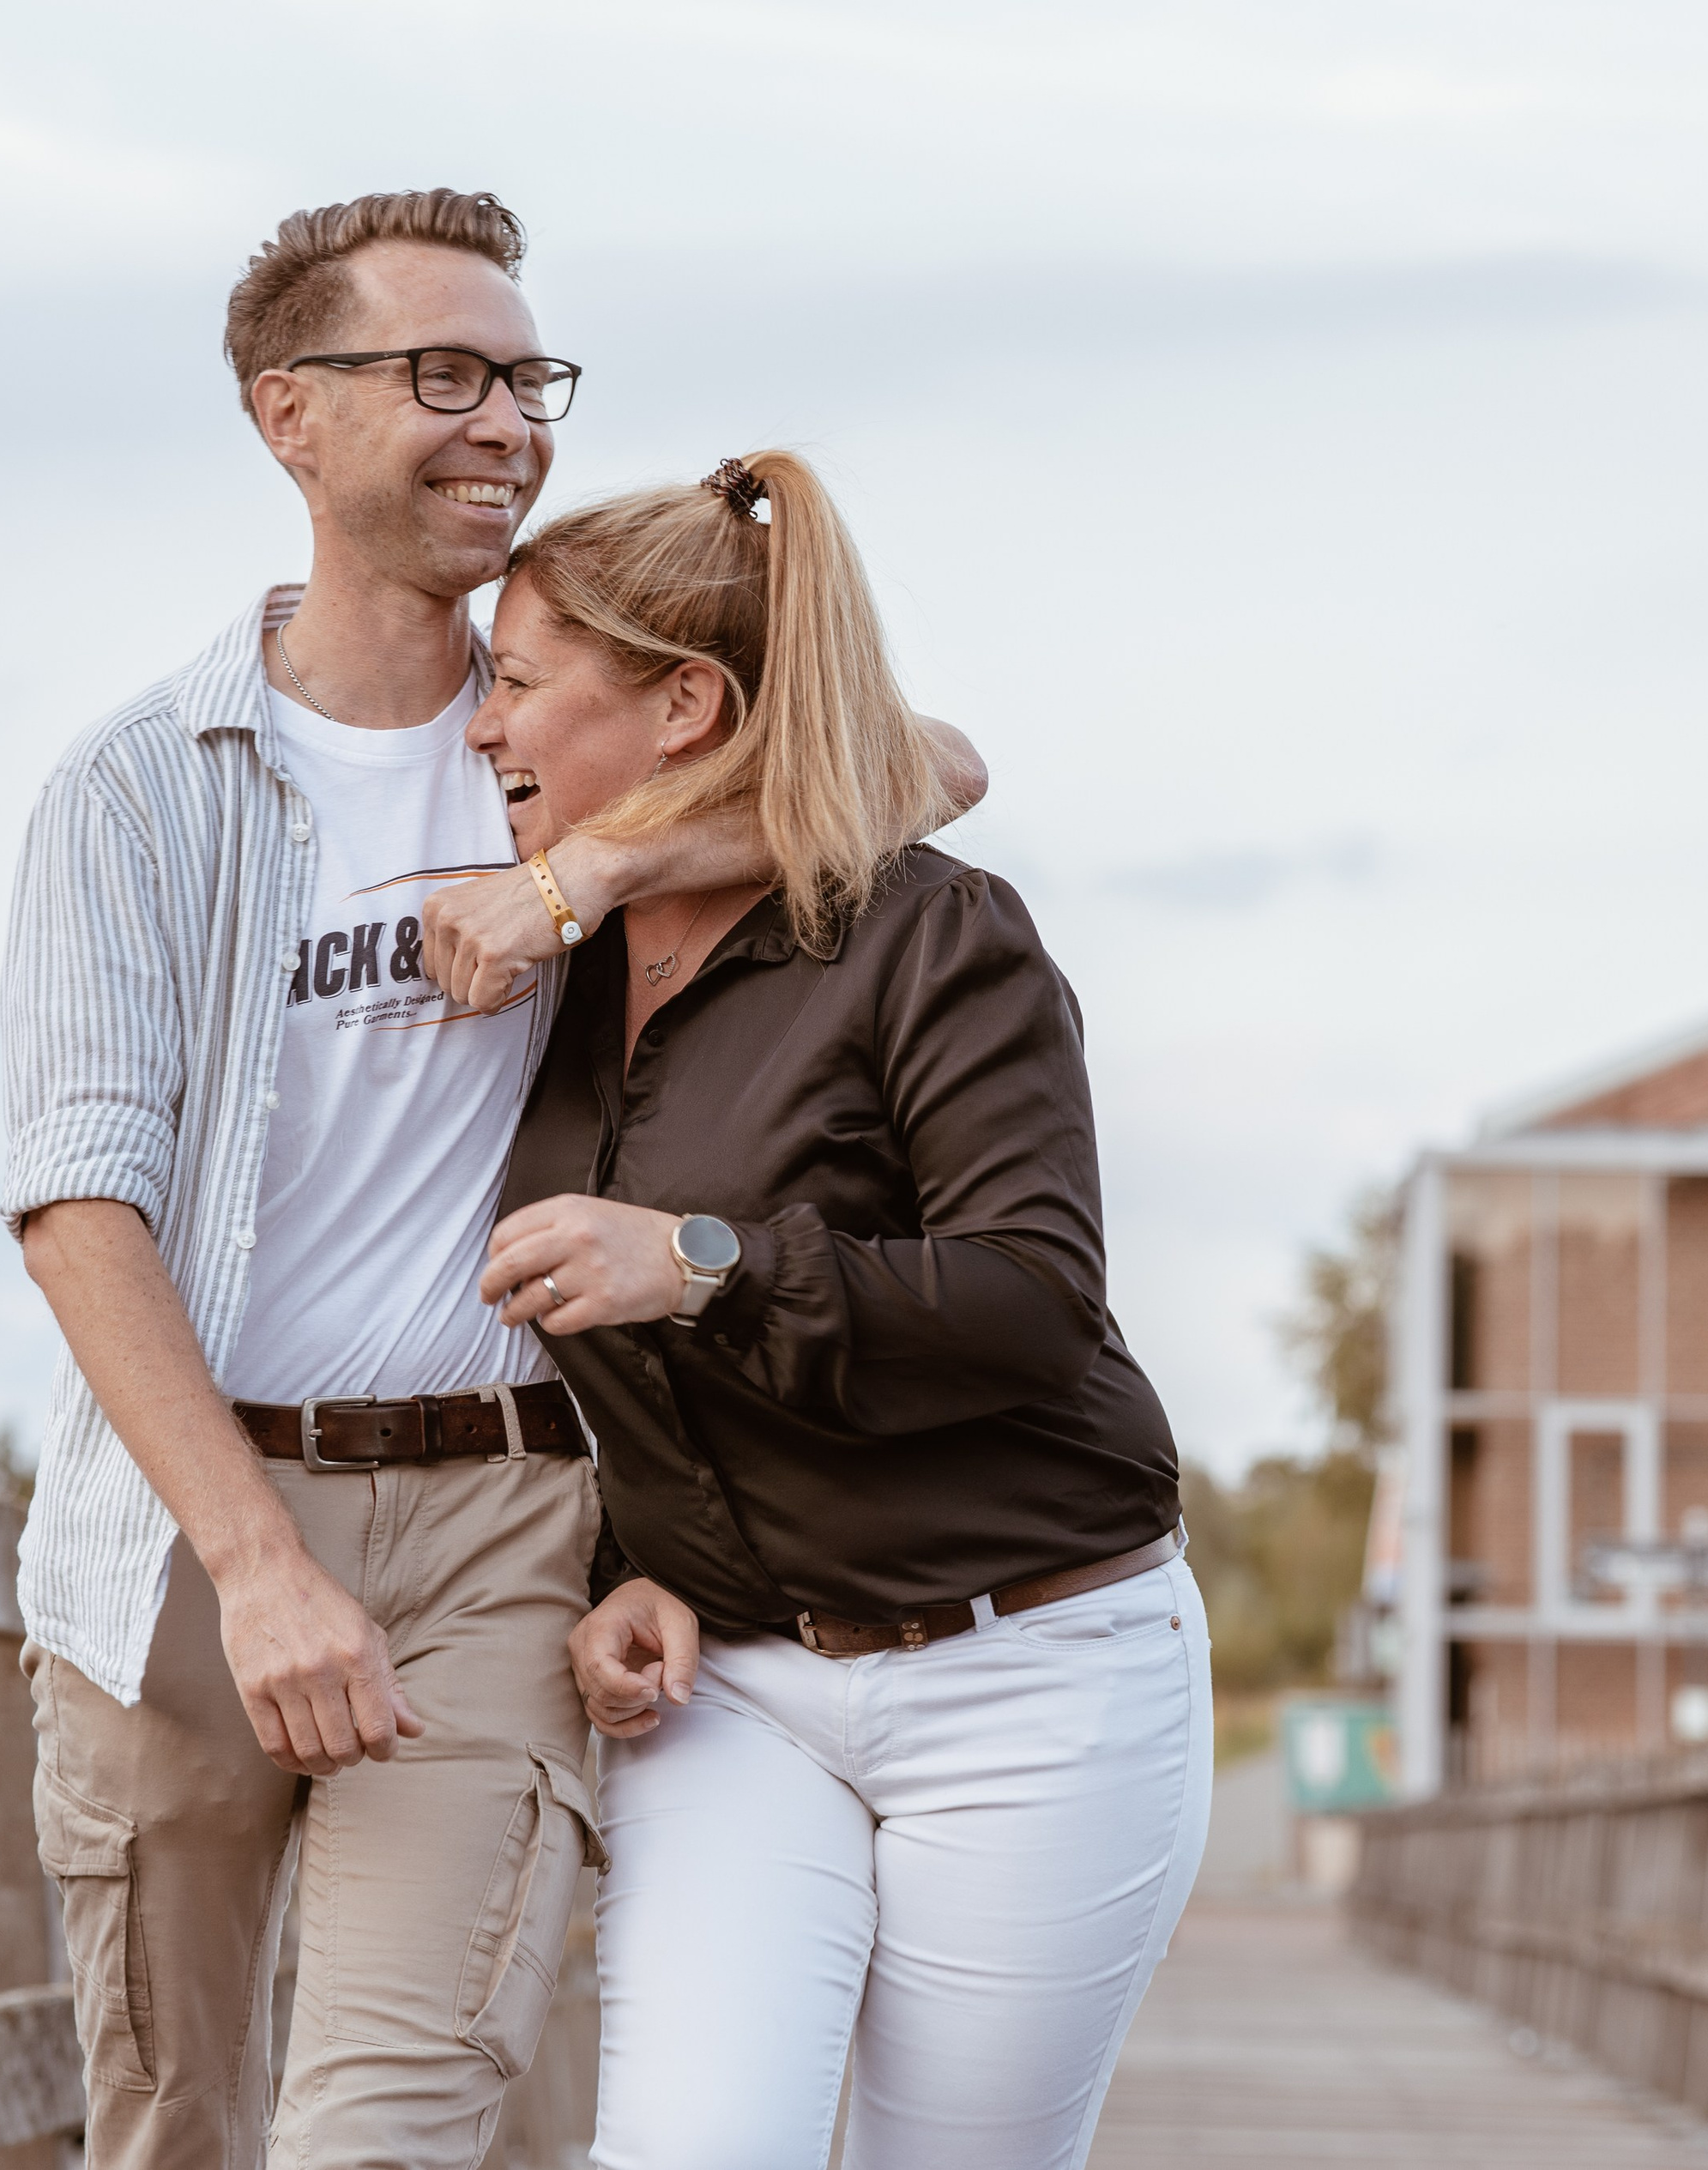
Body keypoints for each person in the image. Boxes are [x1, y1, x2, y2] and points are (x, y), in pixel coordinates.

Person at [1, 190, 983, 2169]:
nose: (505, 424)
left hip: (497, 1523)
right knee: (172, 2124)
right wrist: (258, 1566)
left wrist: (588, 872)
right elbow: (77, 1202)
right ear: (290, 415)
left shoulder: (569, 737)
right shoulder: (133, 786)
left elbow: (923, 761)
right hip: (185, 1535)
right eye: (439, 375)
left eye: (524, 378)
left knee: (393, 2123)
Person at [474, 450, 1212, 2170]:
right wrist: (617, 1561)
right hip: (728, 1685)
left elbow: (1033, 1295)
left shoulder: (932, 932)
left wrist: (700, 1257)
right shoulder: (554, 960)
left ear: (681, 705)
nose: (475, 726)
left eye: (511, 684)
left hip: (1029, 1668)